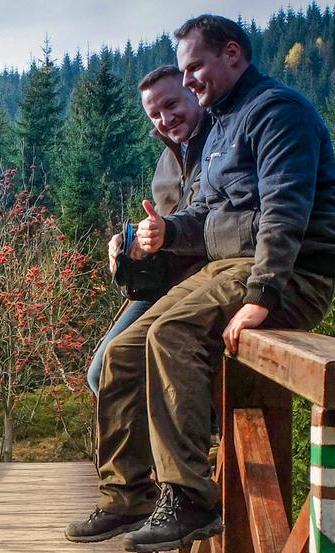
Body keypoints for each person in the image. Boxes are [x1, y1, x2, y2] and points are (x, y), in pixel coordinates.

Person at [68, 14, 335, 552]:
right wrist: (162, 231)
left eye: (195, 67)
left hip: (286, 273)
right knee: (123, 351)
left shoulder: (278, 113)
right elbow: (203, 217)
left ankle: (191, 499)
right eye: (183, 70)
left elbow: (285, 213)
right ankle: (128, 494)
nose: (189, 81)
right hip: (226, 269)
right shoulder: (221, 127)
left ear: (233, 54)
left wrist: (263, 298)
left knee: (168, 332)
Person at [87, 65, 210, 397]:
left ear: (195, 94)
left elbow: (209, 222)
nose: (165, 120)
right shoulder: (167, 159)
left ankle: (183, 445)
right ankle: (149, 449)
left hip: (205, 284)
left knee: (122, 371)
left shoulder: (219, 146)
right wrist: (127, 242)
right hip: (165, 283)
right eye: (154, 114)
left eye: (172, 106)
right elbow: (159, 220)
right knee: (101, 373)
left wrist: (160, 234)